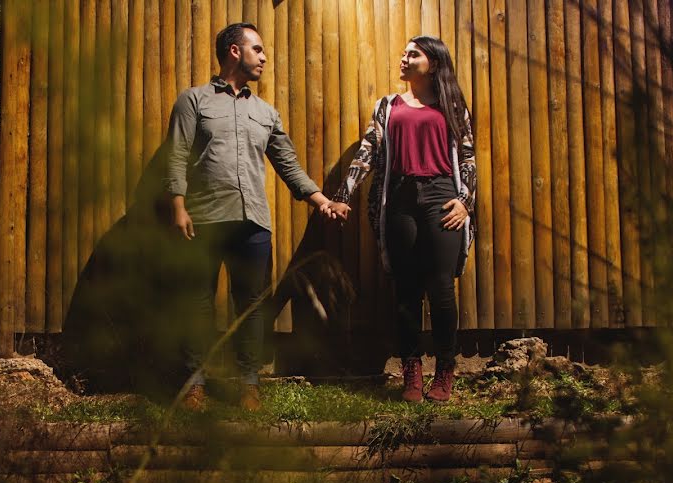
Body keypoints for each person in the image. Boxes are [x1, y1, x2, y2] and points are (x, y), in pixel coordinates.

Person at [166, 22, 345, 411]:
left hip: (253, 224)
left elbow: (288, 164)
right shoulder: (193, 100)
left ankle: (249, 385)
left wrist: (321, 201)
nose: (264, 58)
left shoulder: (265, 112)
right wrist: (178, 206)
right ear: (235, 51)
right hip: (203, 219)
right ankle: (194, 384)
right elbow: (176, 155)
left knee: (249, 306)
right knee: (197, 304)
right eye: (257, 50)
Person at [333, 35, 476, 403]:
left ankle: (445, 370)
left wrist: (465, 201)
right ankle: (411, 371)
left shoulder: (452, 105)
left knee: (442, 288)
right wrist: (343, 194)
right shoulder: (387, 106)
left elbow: (468, 159)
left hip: (442, 198)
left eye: (414, 54)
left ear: (434, 63)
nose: (404, 58)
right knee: (407, 290)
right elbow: (366, 153)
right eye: (404, 53)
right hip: (399, 200)